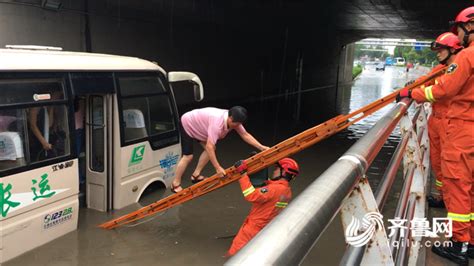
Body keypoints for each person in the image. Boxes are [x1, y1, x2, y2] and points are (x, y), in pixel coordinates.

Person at [397, 6, 474, 265]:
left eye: (461, 28)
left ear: (471, 26)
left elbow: (442, 90)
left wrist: (412, 94)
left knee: (457, 184)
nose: (460, 34)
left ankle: (460, 244)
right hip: (466, 127)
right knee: (468, 186)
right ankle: (469, 242)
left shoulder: (467, 57)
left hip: (461, 128)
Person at [171, 106, 269, 193]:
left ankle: (196, 175)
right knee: (188, 156)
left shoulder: (235, 121)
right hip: (188, 123)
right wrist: (218, 168)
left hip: (201, 127)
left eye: (240, 124)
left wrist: (261, 147)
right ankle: (175, 184)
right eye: (236, 123)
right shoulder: (217, 124)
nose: (237, 126)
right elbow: (209, 147)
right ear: (230, 118)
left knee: (212, 148)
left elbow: (245, 135)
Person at [415, 32, 462, 209]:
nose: (438, 53)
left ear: (452, 49)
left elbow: (440, 91)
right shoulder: (441, 68)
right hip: (436, 121)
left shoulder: (458, 67)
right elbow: (424, 82)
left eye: (441, 50)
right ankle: (444, 197)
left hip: (452, 123)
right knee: (438, 163)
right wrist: (411, 88)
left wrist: (414, 94)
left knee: (453, 167)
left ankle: (454, 204)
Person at [226, 158, 299, 256]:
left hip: (252, 230)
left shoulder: (274, 189)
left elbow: (251, 195)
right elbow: (269, 194)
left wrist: (243, 174)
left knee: (236, 256)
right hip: (266, 230)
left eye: (277, 168)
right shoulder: (287, 191)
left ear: (284, 172)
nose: (274, 170)